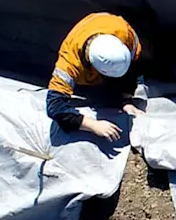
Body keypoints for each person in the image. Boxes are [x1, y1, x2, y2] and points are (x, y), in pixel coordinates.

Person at [46, 12, 143, 142]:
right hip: (87, 73)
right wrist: (92, 125)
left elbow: (134, 68)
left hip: (105, 27)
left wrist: (126, 100)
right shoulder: (69, 63)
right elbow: (54, 107)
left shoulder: (124, 34)